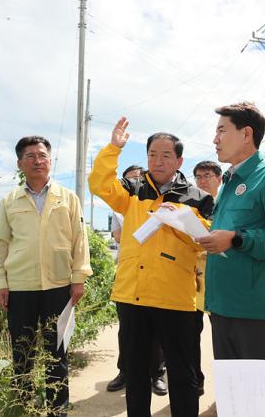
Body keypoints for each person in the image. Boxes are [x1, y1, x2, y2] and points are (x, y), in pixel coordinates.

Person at [89, 118, 213, 416]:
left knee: (183, 374)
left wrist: (181, 217)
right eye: (152, 155)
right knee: (136, 374)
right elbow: (99, 185)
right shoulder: (131, 188)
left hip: (176, 298)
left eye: (166, 155)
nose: (158, 161)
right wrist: (113, 148)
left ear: (179, 160)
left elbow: (206, 240)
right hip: (133, 295)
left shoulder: (198, 197)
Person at [0, 136, 92, 416]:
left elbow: (79, 240)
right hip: (20, 287)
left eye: (43, 155)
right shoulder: (10, 201)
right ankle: (22, 406)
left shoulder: (67, 197)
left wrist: (78, 278)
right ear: (20, 163)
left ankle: (58, 409)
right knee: (22, 353)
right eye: (31, 156)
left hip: (58, 286)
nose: (38, 161)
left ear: (50, 160)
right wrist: (1, 282)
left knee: (56, 352)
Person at [196, 102, 265, 361]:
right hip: (220, 305)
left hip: (254, 312)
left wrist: (236, 239)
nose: (215, 139)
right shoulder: (228, 181)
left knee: (260, 394)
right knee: (232, 392)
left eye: (222, 131)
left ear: (246, 134)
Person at [107, 164, 168, 397]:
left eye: (138, 178)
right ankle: (125, 371)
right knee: (127, 330)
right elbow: (119, 236)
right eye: (129, 179)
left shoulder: (159, 203)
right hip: (129, 274)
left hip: (156, 272)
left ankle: (157, 374)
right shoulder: (119, 209)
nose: (134, 181)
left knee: (157, 330)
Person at [192, 160, 223, 395]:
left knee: (221, 338)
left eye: (207, 175)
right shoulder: (191, 204)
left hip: (218, 281)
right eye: (198, 177)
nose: (202, 181)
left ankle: (225, 389)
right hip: (192, 282)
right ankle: (195, 383)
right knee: (190, 338)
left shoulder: (225, 202)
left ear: (218, 178)